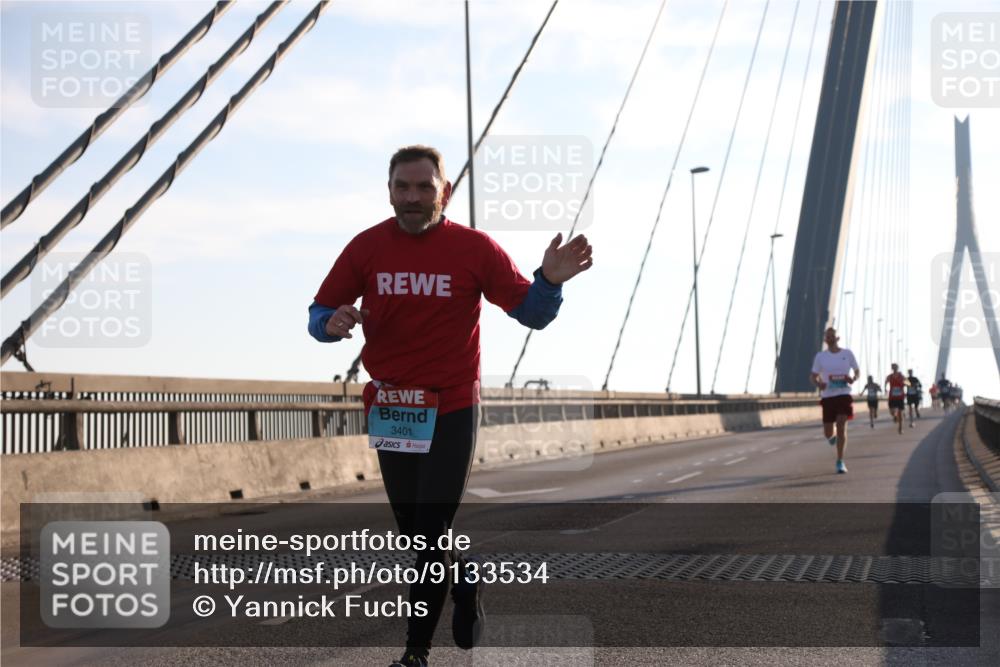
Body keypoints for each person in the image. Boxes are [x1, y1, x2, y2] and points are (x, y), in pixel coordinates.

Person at [308, 145, 593, 667]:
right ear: (390, 191)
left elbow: (530, 312)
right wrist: (330, 324)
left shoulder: (474, 249)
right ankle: (465, 579)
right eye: (402, 187)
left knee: (430, 530)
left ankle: (415, 654)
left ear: (445, 192)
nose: (412, 197)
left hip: (452, 406)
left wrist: (549, 280)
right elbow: (319, 310)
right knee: (418, 532)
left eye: (423, 187)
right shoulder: (366, 248)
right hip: (392, 408)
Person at [810, 327, 860, 474]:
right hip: (828, 397)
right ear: (825, 340)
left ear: (837, 338)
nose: (830, 338)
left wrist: (854, 378)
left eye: (833, 336)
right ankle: (832, 438)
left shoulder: (847, 353)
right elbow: (813, 376)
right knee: (828, 432)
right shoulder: (820, 357)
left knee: (841, 424)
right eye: (828, 337)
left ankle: (840, 461)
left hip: (844, 395)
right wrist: (819, 384)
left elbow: (857, 371)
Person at [885, 363, 907, 434]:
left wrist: (904, 383)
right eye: (893, 367)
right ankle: (895, 416)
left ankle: (900, 429)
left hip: (900, 397)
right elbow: (886, 382)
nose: (894, 368)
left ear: (897, 368)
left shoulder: (902, 376)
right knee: (891, 412)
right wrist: (885, 388)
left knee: (900, 413)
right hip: (892, 396)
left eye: (895, 367)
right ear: (892, 368)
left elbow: (908, 383)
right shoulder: (890, 376)